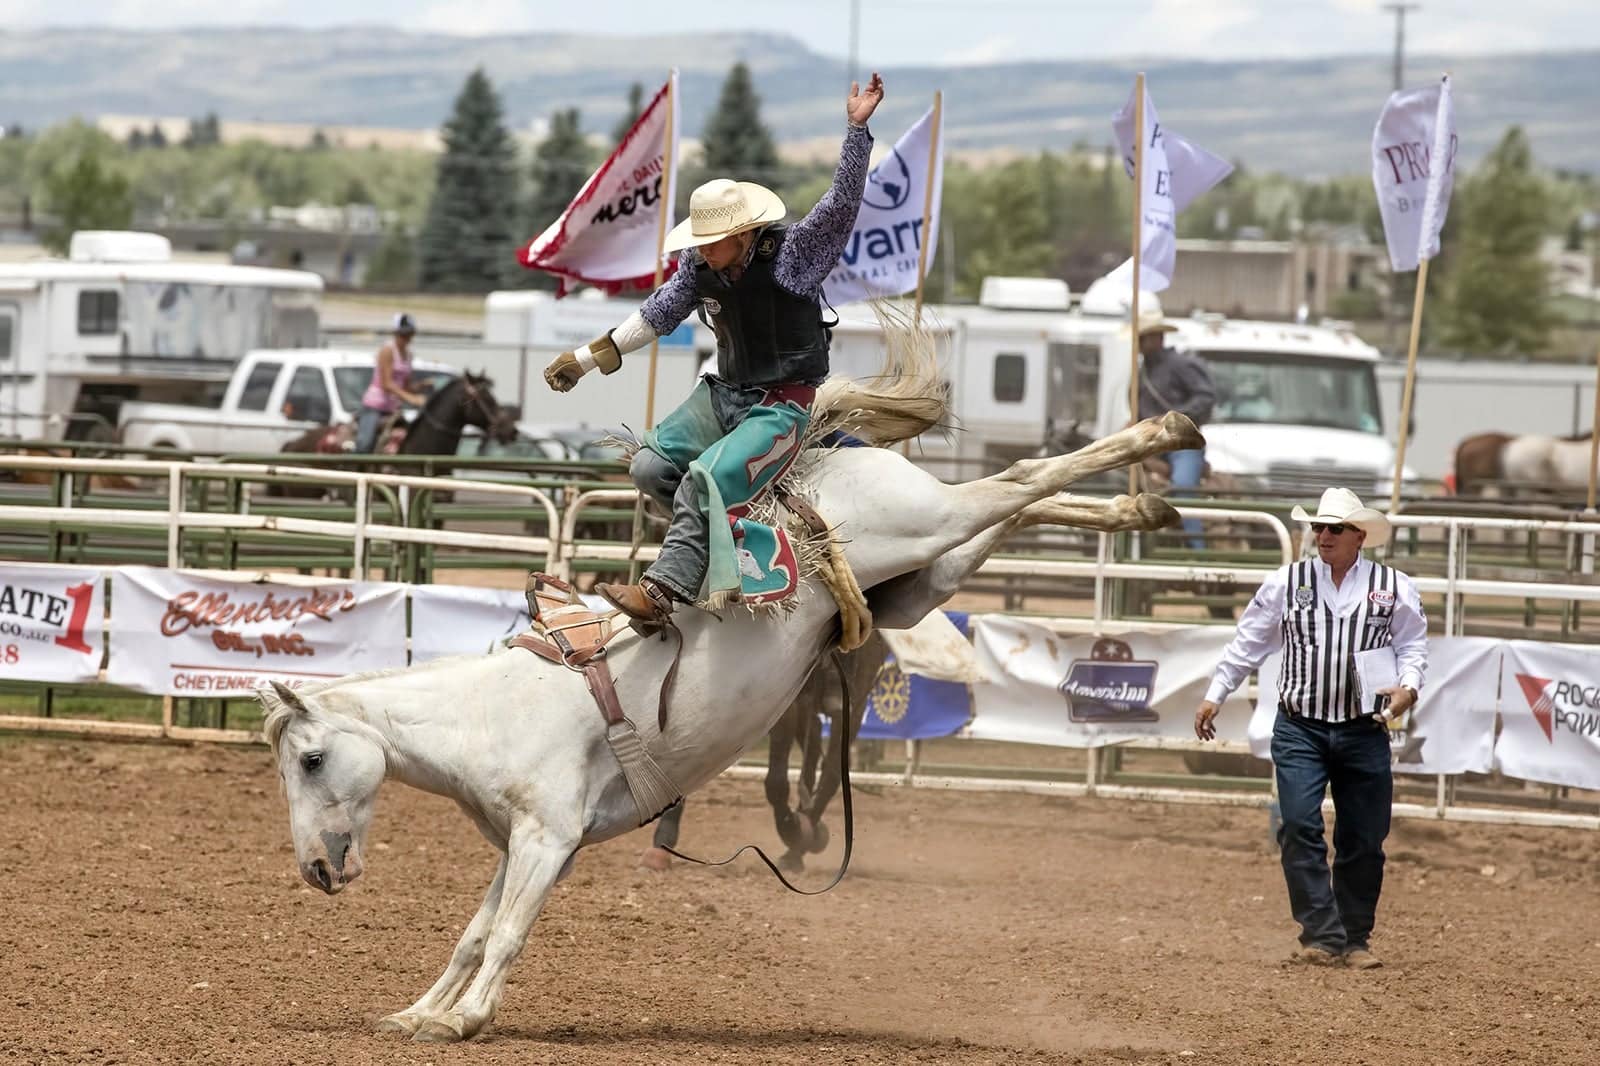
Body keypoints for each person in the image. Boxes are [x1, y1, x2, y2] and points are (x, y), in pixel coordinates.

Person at [543, 73, 886, 624]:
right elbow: (658, 312)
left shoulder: (792, 256)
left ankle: (662, 592)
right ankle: (716, 547)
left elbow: (842, 205)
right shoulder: (698, 267)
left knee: (707, 475)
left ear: (744, 233)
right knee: (650, 467)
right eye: (699, 239)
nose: (702, 248)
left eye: (712, 239)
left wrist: (855, 131)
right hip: (723, 393)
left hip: (781, 404)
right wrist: (585, 359)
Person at [1194, 487, 1427, 970]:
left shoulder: (1393, 586)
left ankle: (1353, 936)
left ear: (1359, 535)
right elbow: (1248, 642)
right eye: (1318, 527)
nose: (1323, 535)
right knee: (1299, 824)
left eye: (1334, 528)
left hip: (1364, 726)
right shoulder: (1287, 582)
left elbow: (1412, 645)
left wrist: (1408, 686)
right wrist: (1216, 693)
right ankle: (1323, 933)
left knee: (1364, 838)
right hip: (1301, 725)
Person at [1134, 301, 1214, 549]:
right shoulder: (1140, 373)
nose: (1139, 344)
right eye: (1138, 339)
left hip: (1181, 446)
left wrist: (1173, 419)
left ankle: (1198, 552)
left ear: (1158, 338)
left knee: (1182, 489)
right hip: (1149, 445)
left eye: (1143, 338)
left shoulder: (1181, 365)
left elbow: (1205, 398)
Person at [355, 312, 426, 453]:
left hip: (393, 409)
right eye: (403, 334)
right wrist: (411, 398)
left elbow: (405, 386)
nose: (406, 338)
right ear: (396, 334)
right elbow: (386, 384)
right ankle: (352, 463)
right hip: (375, 406)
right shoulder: (387, 351)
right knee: (365, 444)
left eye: (409, 334)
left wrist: (419, 388)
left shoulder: (408, 355)